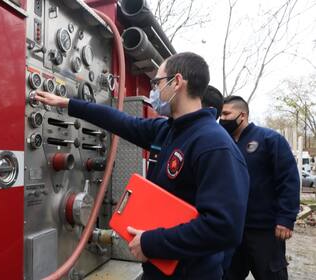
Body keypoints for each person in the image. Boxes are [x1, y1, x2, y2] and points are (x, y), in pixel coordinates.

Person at [36, 52, 250, 279]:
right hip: (157, 269)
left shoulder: (214, 146)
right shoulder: (168, 130)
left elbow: (224, 227)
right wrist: (69, 104)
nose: (153, 91)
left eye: (157, 83)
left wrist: (151, 242)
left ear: (176, 82)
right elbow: (120, 121)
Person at [220, 95, 300, 280]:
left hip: (265, 231)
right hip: (233, 230)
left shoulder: (270, 139)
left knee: (271, 275)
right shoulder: (223, 143)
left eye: (226, 114)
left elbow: (288, 179)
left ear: (242, 115)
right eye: (221, 114)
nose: (222, 119)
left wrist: (286, 218)